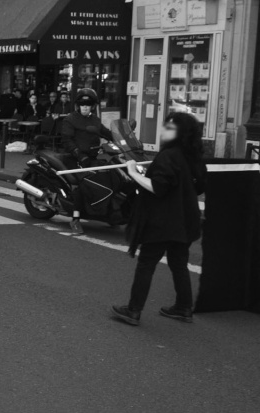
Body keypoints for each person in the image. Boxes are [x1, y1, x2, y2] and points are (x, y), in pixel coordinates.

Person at [111, 112, 206, 326]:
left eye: (170, 128)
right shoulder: (193, 156)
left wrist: (134, 172)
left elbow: (158, 188)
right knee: (178, 263)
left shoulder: (168, 156)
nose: (163, 131)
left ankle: (133, 310)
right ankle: (184, 307)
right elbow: (198, 186)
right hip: (185, 220)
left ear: (181, 133)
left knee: (146, 263)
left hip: (163, 221)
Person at [61, 88, 113, 234]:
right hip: (74, 159)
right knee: (83, 183)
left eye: (88, 104)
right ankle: (76, 219)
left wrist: (121, 139)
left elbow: (105, 132)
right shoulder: (70, 119)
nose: (85, 107)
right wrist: (78, 154)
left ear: (92, 106)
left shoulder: (95, 120)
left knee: (108, 174)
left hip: (91, 158)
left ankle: (106, 211)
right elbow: (67, 140)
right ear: (78, 105)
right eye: (82, 104)